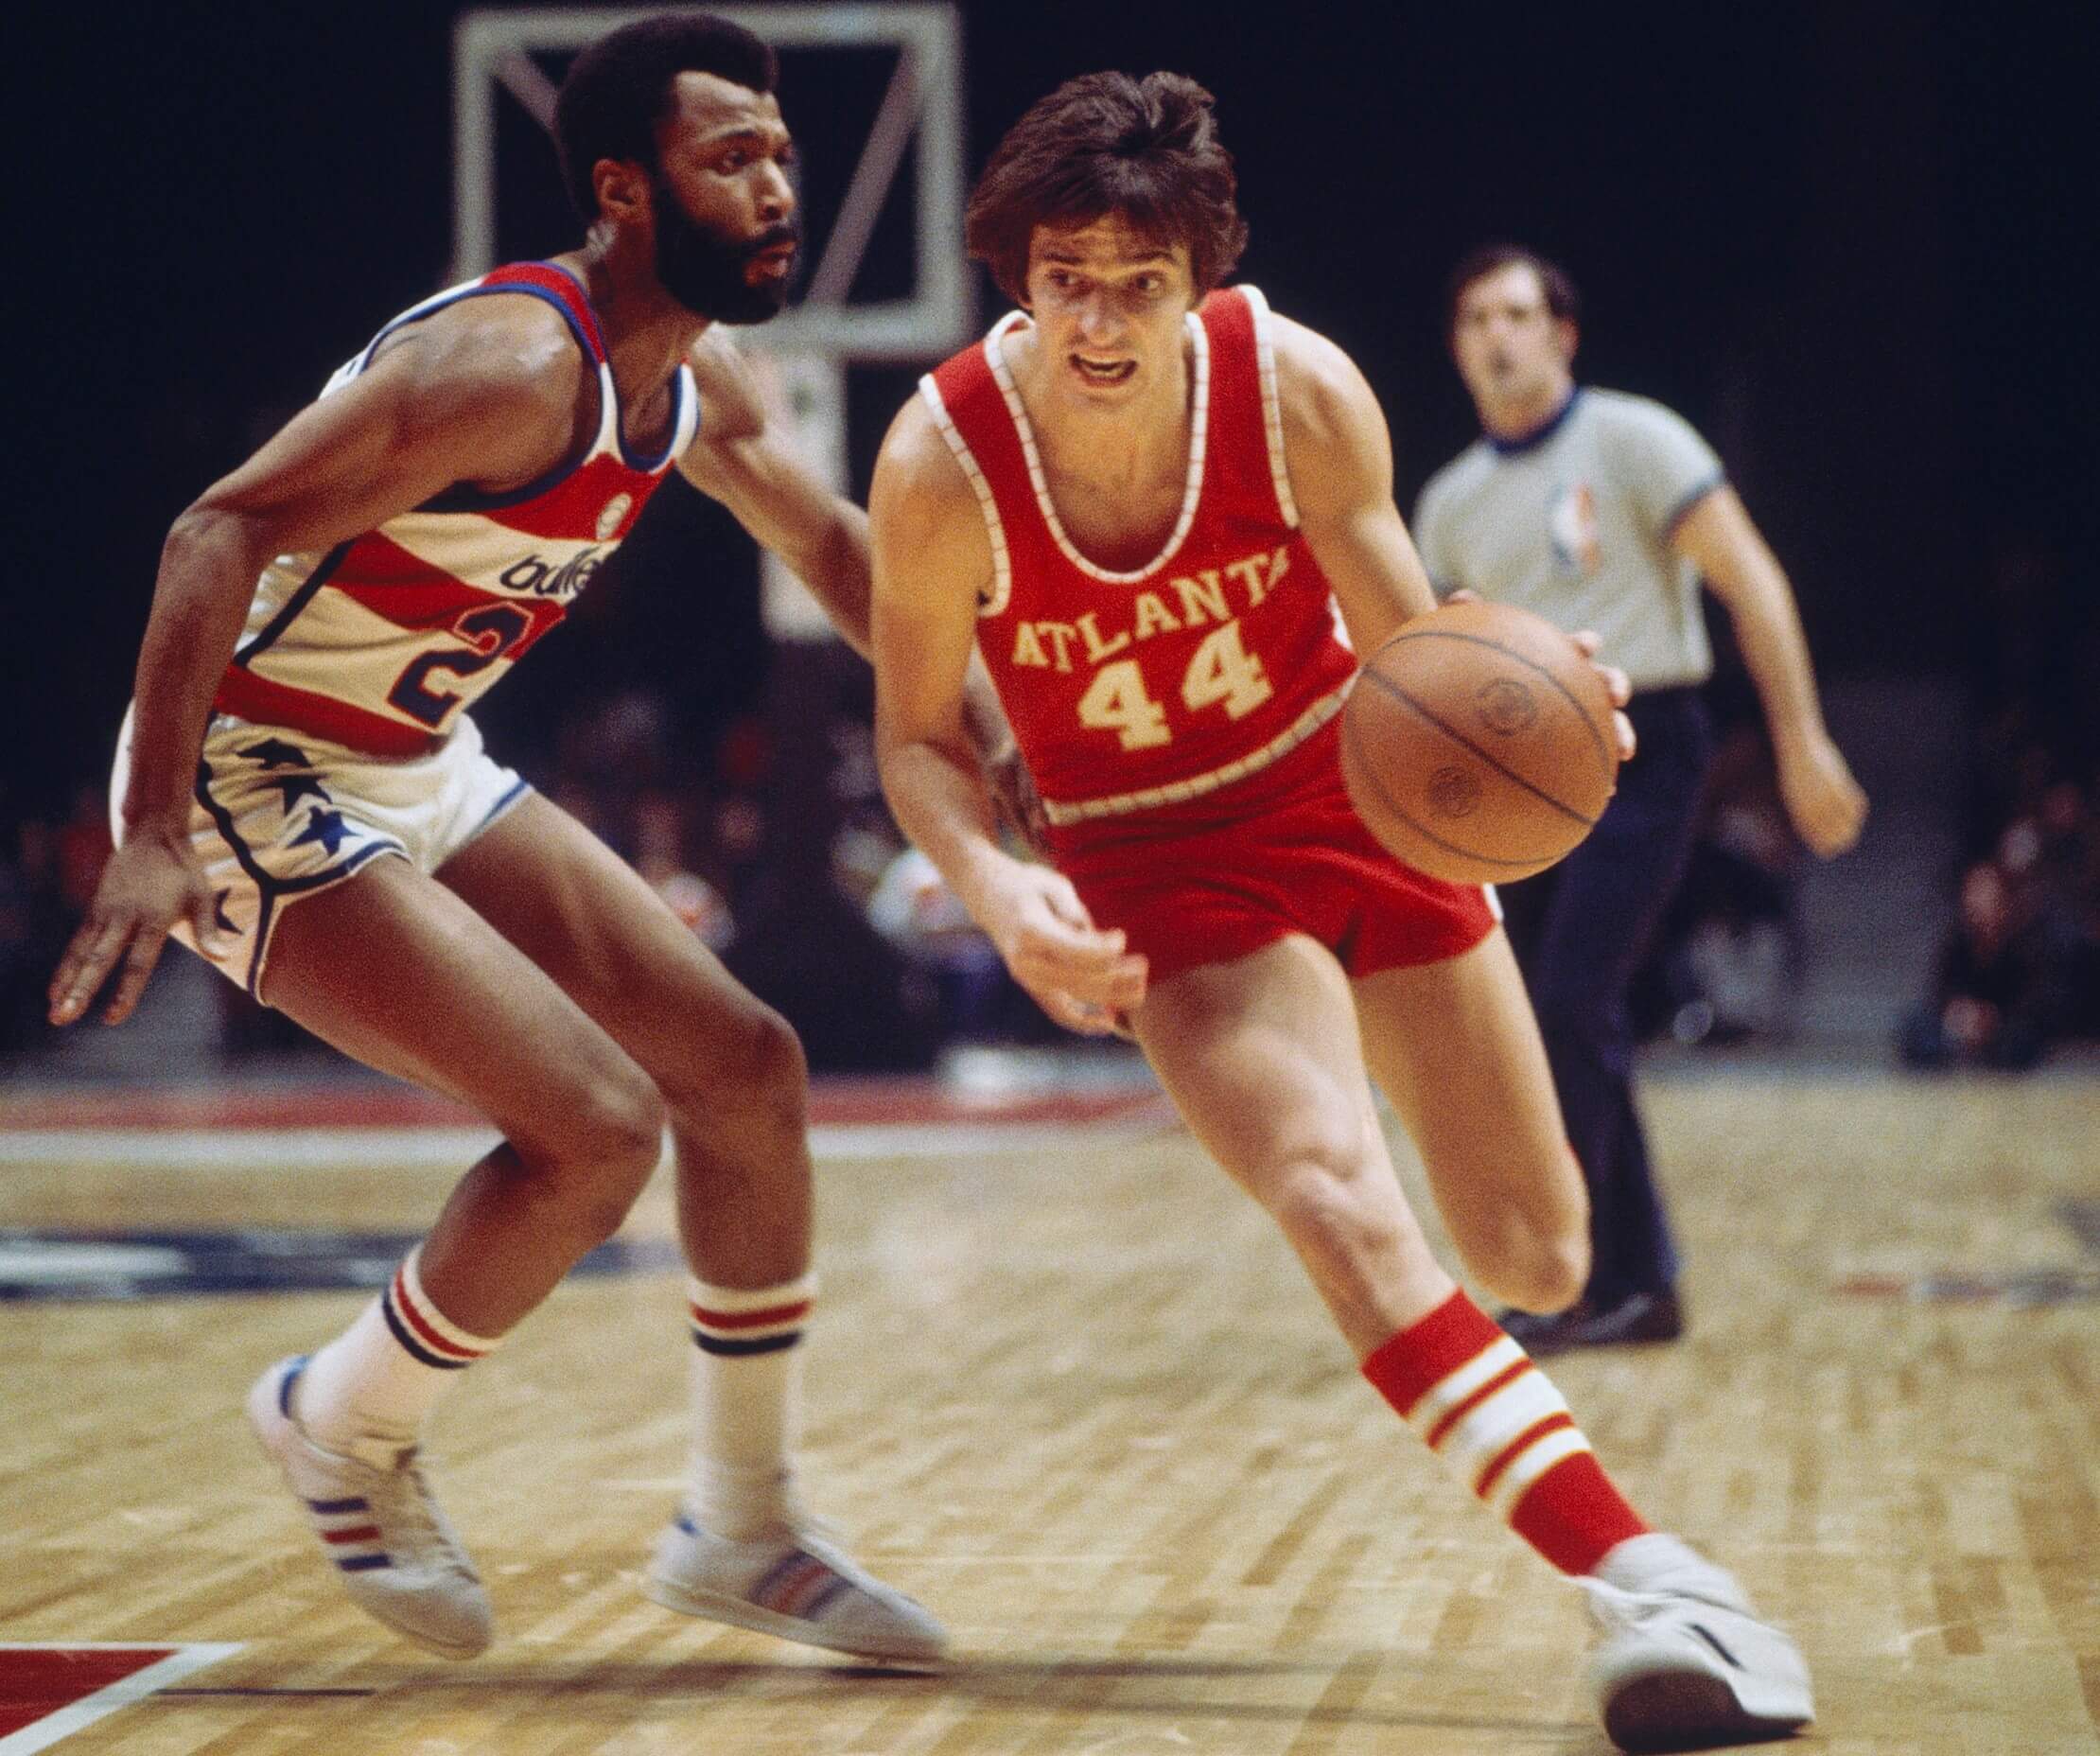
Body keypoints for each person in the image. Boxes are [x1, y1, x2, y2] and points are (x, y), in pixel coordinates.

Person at [868, 70, 1813, 1753]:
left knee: (1538, 1246)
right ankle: (1662, 1586)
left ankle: (1478, 1311)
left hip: (1359, 801)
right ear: (1016, 269)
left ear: (1200, 283)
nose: (1097, 317)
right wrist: (1002, 890)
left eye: (1137, 283)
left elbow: (1415, 641)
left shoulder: (1293, 388)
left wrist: (1537, 692)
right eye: (1064, 276)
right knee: (1330, 1190)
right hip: (1167, 864)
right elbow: (919, 740)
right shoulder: (942, 459)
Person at [45, 12, 961, 1666]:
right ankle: (341, 1422)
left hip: (406, 755)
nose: (777, 187)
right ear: (623, 189)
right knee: (598, 1132)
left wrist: (993, 720)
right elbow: (217, 528)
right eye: (730, 157)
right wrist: (155, 828)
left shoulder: (689, 380)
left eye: (780, 153)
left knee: (746, 1070)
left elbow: (830, 542)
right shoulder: (509, 367)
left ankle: (743, 1528)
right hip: (250, 767)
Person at [1413, 246, 1867, 1354]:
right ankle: (1640, 1278)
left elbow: (1750, 579)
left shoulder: (1634, 438)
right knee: (1553, 1021)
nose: (1497, 335)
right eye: (1475, 317)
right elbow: (1428, 667)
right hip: (1515, 773)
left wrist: (1801, 742)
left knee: (1572, 1005)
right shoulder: (1450, 500)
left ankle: (1575, 1277)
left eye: (1518, 313)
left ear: (1562, 333)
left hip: (1643, 743)